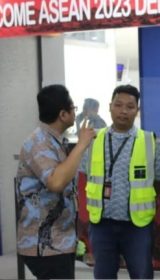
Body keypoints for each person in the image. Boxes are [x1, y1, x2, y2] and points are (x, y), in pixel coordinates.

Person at [81, 85, 160, 279]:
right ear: (110, 106)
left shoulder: (148, 141)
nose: (123, 110)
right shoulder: (94, 140)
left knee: (141, 274)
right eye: (118, 105)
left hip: (137, 225)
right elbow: (82, 180)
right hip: (101, 223)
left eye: (130, 106)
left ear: (137, 111)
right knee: (103, 275)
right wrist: (83, 221)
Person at [15, 84, 96, 279]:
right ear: (63, 114)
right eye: (73, 108)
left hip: (60, 240)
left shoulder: (55, 140)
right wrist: (83, 143)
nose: (74, 113)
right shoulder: (38, 142)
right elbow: (56, 182)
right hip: (45, 245)